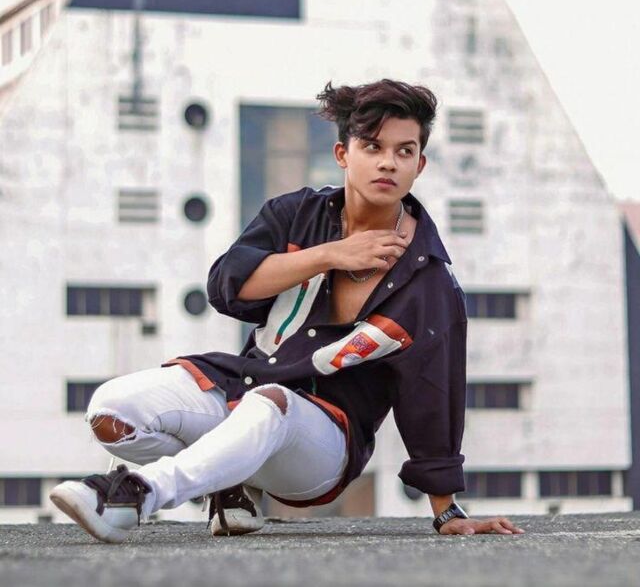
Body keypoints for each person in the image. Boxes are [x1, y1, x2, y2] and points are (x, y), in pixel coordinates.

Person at [50, 78, 524, 542]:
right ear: (343, 154)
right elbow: (227, 287)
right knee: (112, 410)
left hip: (324, 446)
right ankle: (231, 481)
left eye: (404, 151)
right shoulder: (295, 215)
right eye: (373, 146)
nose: (388, 162)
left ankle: (136, 496)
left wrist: (446, 509)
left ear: (419, 165)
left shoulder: (429, 282)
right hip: (244, 385)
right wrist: (331, 254)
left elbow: (433, 393)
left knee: (270, 403)